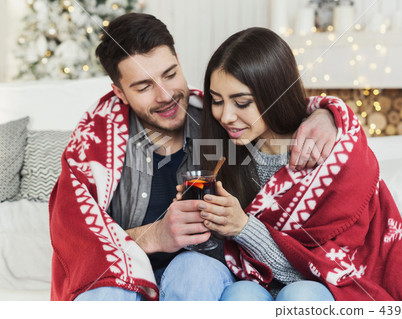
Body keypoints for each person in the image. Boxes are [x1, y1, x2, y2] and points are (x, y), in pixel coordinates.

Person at [49, 13, 339, 301]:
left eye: (170, 74)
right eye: (144, 86)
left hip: (202, 273)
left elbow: (273, 107)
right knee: (104, 294)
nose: (165, 95)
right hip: (123, 277)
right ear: (120, 92)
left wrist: (328, 113)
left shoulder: (220, 121)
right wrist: (152, 236)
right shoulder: (97, 141)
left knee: (194, 270)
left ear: (179, 62)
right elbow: (76, 240)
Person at [187, 27, 402, 301]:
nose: (225, 116)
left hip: (315, 290)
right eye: (217, 101)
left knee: (301, 295)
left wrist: (244, 228)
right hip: (250, 285)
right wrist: (201, 222)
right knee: (241, 295)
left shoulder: (329, 155)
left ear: (275, 93)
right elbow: (223, 261)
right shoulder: (224, 153)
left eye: (242, 102)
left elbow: (330, 273)